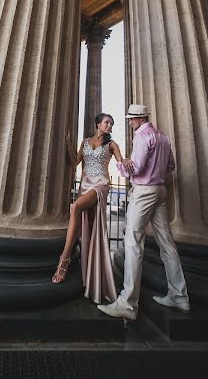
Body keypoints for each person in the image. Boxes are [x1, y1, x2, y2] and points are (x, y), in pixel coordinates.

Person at [97, 104, 190, 321]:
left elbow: (134, 169)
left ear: (141, 118)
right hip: (160, 191)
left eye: (131, 119)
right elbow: (171, 167)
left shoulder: (142, 136)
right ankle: (179, 295)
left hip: (144, 192)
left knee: (133, 243)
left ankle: (127, 304)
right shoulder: (164, 138)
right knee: (167, 244)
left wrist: (121, 164)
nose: (129, 123)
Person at [52, 112, 123, 304]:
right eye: (107, 122)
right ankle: (92, 274)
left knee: (75, 208)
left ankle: (63, 261)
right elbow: (75, 162)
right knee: (89, 230)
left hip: (100, 185)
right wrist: (67, 144)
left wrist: (128, 163)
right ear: (98, 124)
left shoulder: (112, 144)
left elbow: (121, 163)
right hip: (85, 185)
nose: (110, 126)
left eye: (112, 123)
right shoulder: (84, 142)